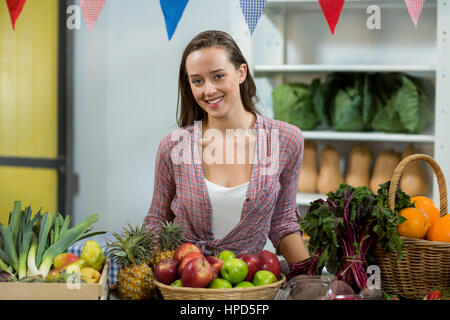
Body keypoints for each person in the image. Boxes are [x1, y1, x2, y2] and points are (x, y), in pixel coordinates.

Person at [144, 30, 310, 265]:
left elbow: (283, 223)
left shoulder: (286, 140)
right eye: (197, 81)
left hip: (247, 284)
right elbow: (157, 221)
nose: (208, 90)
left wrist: (312, 278)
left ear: (241, 72)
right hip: (185, 284)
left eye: (218, 76)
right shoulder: (173, 146)